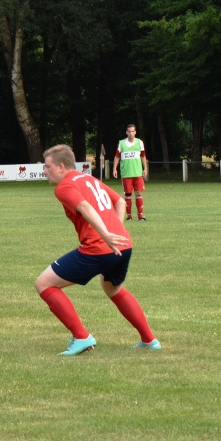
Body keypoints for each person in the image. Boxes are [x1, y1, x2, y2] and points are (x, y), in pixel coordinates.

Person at [35, 144, 160, 356]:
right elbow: (119, 201)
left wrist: (106, 235)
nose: (44, 171)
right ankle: (149, 340)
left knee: (44, 284)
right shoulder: (88, 179)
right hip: (123, 245)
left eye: (47, 166)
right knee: (114, 289)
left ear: (61, 166)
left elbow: (85, 207)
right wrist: (115, 231)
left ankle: (81, 337)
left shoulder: (64, 187)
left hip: (100, 247)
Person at [112, 123, 149, 221]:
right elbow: (117, 157)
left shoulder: (139, 142)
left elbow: (143, 156)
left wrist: (145, 168)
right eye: (129, 131)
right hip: (126, 173)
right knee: (128, 195)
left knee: (138, 193)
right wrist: (114, 168)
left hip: (137, 173)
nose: (131, 133)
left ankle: (141, 216)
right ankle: (129, 216)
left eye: (133, 131)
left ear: (135, 132)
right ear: (126, 132)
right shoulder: (121, 143)